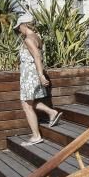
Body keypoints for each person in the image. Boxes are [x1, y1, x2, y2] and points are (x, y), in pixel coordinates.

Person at [13, 13, 62, 145]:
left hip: (30, 75)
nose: (19, 30)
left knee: (26, 106)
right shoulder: (37, 37)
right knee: (28, 102)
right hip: (32, 73)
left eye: (19, 27)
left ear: (24, 25)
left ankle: (36, 136)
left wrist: (40, 75)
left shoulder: (28, 39)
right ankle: (51, 112)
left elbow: (37, 57)